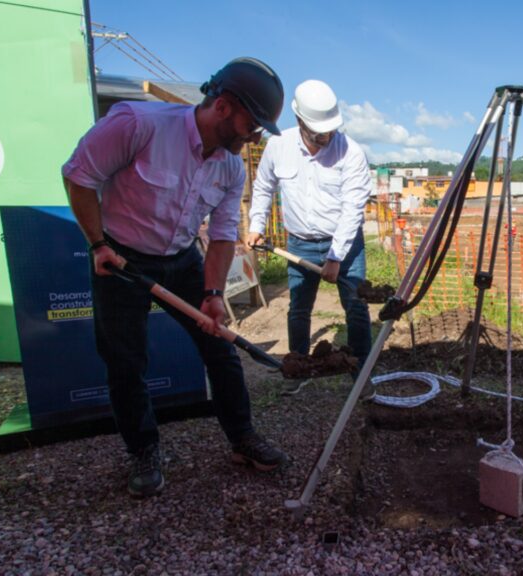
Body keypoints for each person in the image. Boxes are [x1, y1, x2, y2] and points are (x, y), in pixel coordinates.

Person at [62, 57, 288, 498]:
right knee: (126, 363)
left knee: (220, 348)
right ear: (223, 107)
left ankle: (242, 437)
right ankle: (144, 450)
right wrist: (98, 244)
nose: (255, 134)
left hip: (181, 258)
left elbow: (222, 236)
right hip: (121, 259)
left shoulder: (230, 166)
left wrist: (213, 293)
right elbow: (78, 176)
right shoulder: (137, 124)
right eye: (252, 122)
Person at [246, 80, 373, 367]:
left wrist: (335, 256)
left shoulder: (350, 152)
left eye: (329, 129)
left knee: (356, 307)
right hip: (299, 243)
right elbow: (264, 186)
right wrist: (256, 225)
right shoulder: (278, 145)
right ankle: (298, 366)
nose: (325, 136)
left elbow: (353, 208)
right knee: (299, 310)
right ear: (299, 119)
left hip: (345, 245)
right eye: (317, 131)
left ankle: (361, 373)